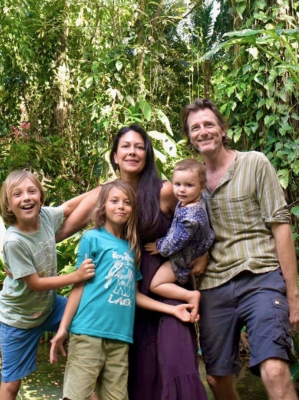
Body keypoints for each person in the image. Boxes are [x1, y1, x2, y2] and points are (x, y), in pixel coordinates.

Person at [57, 124, 208, 399]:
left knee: (178, 363)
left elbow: (200, 214)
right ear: (115, 155)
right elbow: (64, 222)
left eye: (139, 146)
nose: (132, 152)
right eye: (126, 146)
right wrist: (21, 244)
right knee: (139, 377)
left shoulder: (165, 190)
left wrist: (203, 252)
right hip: (127, 297)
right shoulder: (107, 194)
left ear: (147, 154)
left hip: (168, 286)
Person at [181, 98, 299, 400]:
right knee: (217, 379)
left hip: (260, 278)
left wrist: (294, 295)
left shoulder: (254, 162)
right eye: (195, 128)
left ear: (222, 129)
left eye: (209, 124)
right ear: (189, 137)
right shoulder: (189, 182)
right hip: (213, 286)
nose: (203, 131)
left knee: (274, 369)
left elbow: (280, 226)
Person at [0, 170, 96, 400]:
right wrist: (76, 275)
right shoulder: (14, 241)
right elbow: (36, 284)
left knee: (88, 318)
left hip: (49, 307)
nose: (27, 197)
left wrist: (102, 191)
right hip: (18, 319)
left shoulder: (45, 218)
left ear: (41, 197)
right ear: (9, 205)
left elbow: (70, 207)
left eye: (32, 191)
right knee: (11, 384)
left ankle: (85, 389)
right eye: (18, 194)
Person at [145, 159, 215, 319]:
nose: (181, 190)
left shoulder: (190, 219)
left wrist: (159, 246)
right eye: (177, 184)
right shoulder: (192, 200)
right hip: (195, 244)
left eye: (189, 185)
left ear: (202, 188)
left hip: (185, 255)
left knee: (156, 284)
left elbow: (175, 242)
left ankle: (190, 295)